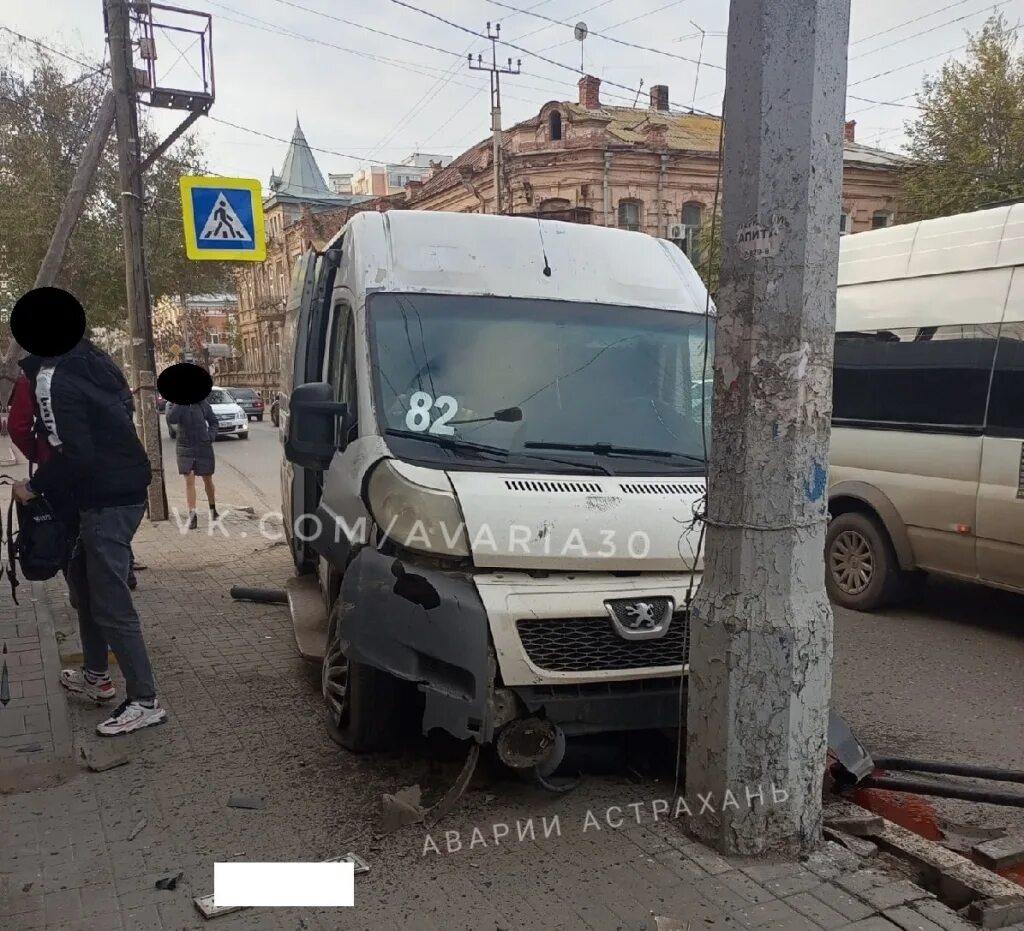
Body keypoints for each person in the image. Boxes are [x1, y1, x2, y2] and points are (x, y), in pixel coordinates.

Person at [13, 335, 165, 736]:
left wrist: (34, 486)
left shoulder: (53, 377)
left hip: (104, 500)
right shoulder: (94, 361)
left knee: (111, 603)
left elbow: (74, 454)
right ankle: (96, 675)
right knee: (85, 587)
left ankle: (145, 700)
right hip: (117, 491)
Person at [165, 396, 219, 529]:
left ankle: (213, 509)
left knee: (207, 479)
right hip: (185, 446)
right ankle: (192, 515)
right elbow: (172, 419)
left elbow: (214, 422)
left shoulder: (202, 403)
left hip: (203, 445)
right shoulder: (175, 403)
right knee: (189, 480)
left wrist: (210, 436)